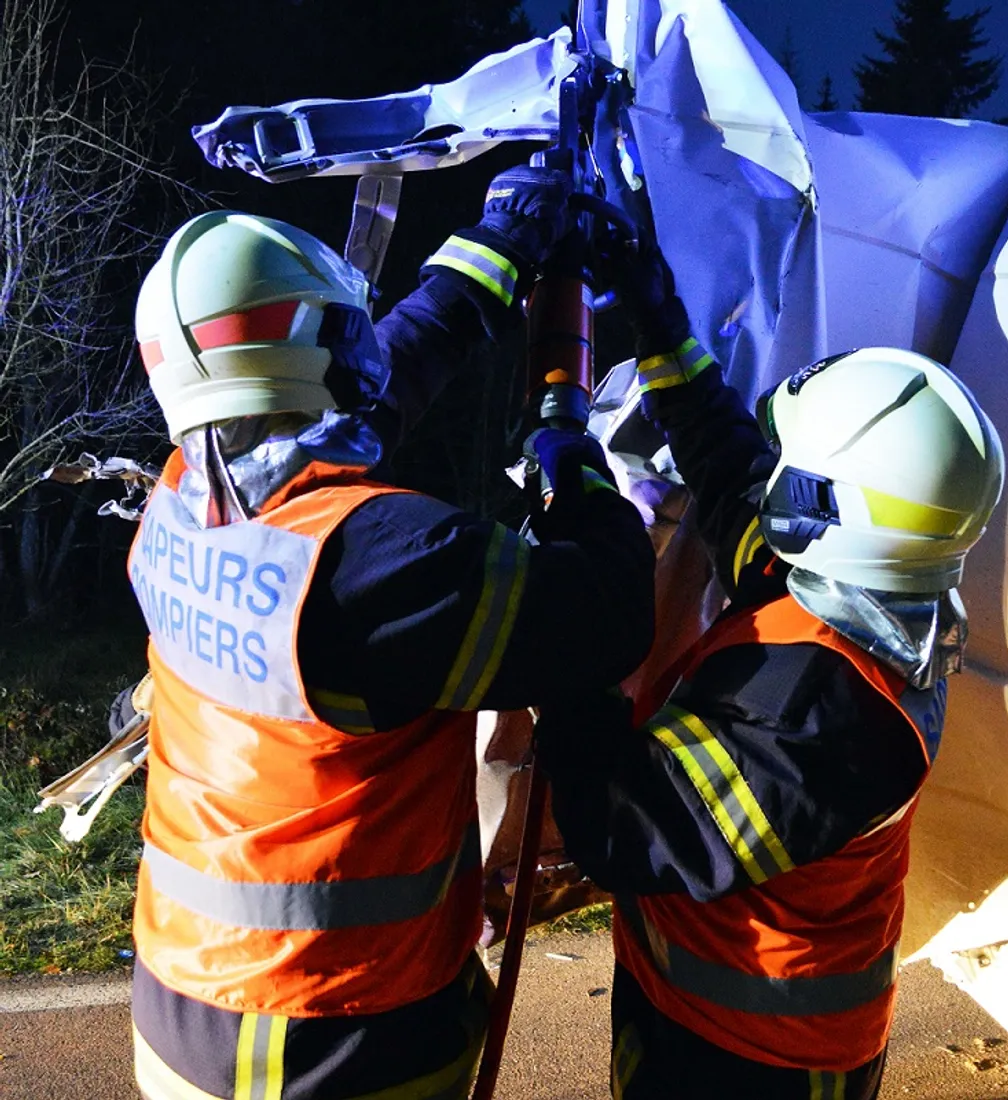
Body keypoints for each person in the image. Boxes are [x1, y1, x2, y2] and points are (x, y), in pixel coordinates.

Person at [126, 169, 655, 1100]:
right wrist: (577, 459)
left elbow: (358, 392)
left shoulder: (180, 500)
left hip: (179, 1008)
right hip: (334, 1045)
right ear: (309, 352)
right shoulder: (385, 559)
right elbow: (606, 617)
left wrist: (494, 250)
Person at [536, 232, 1005, 1099]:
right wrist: (656, 315)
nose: (771, 479)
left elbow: (617, 826)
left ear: (824, 504)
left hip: (750, 1064)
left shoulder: (819, 714)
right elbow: (725, 468)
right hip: (721, 1021)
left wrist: (580, 604)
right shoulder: (859, 585)